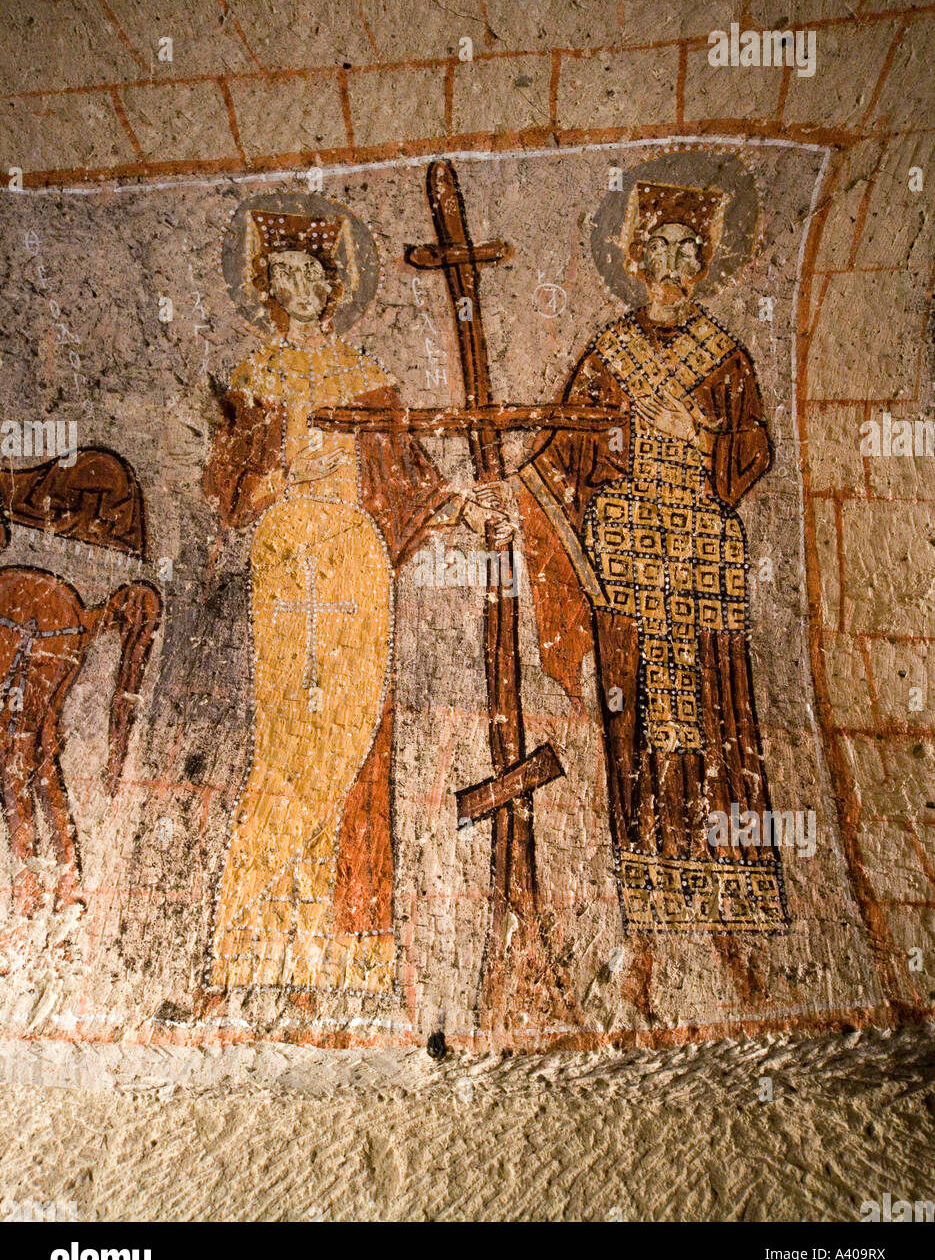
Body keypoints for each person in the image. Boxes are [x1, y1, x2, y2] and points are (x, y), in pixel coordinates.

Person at [205, 210, 506, 994]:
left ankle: (347, 945)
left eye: (312, 274)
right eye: (283, 278)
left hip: (355, 559)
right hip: (285, 551)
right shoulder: (253, 377)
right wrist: (277, 479)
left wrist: (465, 510)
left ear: (335, 287)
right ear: (266, 290)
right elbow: (225, 487)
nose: (299, 289)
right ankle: (255, 928)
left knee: (355, 726)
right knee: (286, 729)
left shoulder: (364, 379)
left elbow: (407, 476)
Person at [518, 181, 789, 977]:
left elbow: (752, 454)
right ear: (634, 262)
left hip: (703, 556)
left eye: (687, 252)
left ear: (705, 265)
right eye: (658, 251)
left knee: (716, 715)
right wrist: (507, 499)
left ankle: (734, 908)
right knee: (633, 718)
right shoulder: (607, 356)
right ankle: (646, 904)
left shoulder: (726, 357)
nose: (672, 267)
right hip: (629, 559)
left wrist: (696, 437)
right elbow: (559, 459)